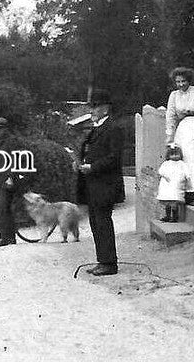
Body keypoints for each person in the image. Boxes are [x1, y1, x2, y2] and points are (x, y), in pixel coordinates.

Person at [74, 90, 123, 276]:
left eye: (95, 107)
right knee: (96, 223)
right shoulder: (96, 128)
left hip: (105, 184)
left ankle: (109, 263)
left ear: (105, 108)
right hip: (93, 185)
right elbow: (88, 150)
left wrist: (92, 167)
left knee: (103, 223)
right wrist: (79, 161)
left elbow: (114, 158)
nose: (92, 111)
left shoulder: (113, 128)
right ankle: (102, 260)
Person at [164, 67, 194, 206]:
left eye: (183, 81)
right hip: (182, 129)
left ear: (189, 80)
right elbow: (170, 116)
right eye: (178, 82)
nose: (181, 84)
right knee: (182, 159)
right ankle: (184, 192)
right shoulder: (174, 95)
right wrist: (169, 136)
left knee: (193, 159)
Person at [0, 116, 28, 247]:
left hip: (9, 180)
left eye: (0, 129)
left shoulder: (12, 142)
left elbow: (16, 160)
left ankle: (3, 238)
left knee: (2, 209)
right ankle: (10, 238)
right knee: (5, 209)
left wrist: (11, 177)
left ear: (5, 128)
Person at [157, 144, 191, 222]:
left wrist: (187, 177)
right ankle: (167, 216)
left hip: (177, 183)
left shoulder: (181, 164)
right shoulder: (166, 163)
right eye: (172, 154)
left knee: (174, 200)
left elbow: (186, 171)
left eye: (177, 154)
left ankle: (175, 217)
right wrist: (165, 176)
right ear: (169, 155)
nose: (175, 156)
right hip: (167, 184)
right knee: (167, 201)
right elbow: (161, 171)